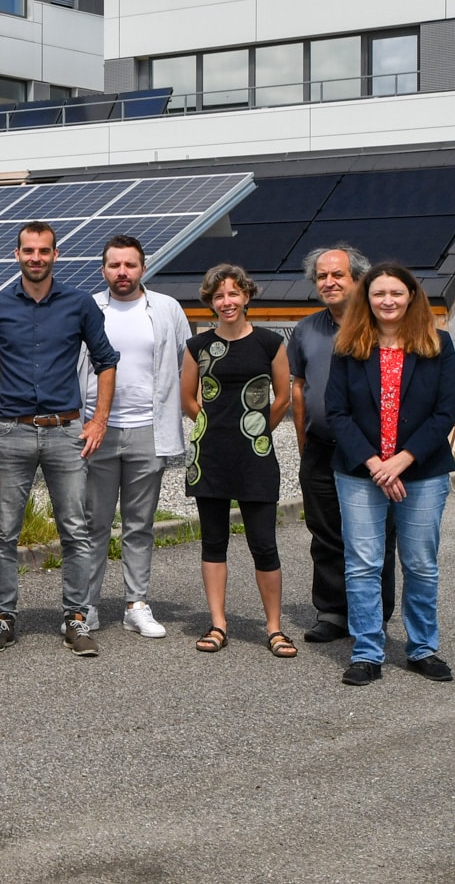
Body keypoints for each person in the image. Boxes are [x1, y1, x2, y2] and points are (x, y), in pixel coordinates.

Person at [0, 222, 118, 657]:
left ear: (56, 254)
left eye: (44, 251)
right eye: (28, 251)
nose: (36, 258)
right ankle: (4, 616)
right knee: (3, 532)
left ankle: (76, 617)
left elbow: (106, 360)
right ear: (16, 254)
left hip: (66, 431)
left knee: (75, 529)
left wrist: (99, 421)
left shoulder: (79, 304)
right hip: (12, 431)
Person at [325, 262, 455, 687]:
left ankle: (422, 648)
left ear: (412, 297)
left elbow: (446, 411)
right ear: (367, 299)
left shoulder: (437, 344)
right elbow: (337, 412)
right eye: (379, 293)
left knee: (420, 563)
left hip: (421, 472)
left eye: (396, 293)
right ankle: (367, 652)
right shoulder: (349, 346)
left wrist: (401, 461)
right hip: (360, 471)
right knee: (363, 564)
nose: (388, 301)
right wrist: (374, 463)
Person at [74, 234, 192, 643]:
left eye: (129, 265)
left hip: (149, 430)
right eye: (114, 265)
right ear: (103, 269)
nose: (122, 272)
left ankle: (135, 604)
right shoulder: (88, 307)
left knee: (139, 525)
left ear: (143, 268)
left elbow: (182, 362)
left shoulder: (167, 309)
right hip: (96, 430)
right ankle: (84, 606)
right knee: (94, 524)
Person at [181, 264, 295, 659]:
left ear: (246, 296)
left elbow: (283, 396)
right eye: (218, 296)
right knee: (213, 543)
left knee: (264, 544)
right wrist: (213, 429)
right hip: (209, 457)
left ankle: (275, 628)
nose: (226, 302)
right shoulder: (197, 346)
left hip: (256, 457)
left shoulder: (269, 342)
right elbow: (188, 400)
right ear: (210, 302)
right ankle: (218, 624)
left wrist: (257, 430)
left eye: (232, 294)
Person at [289, 243, 399, 645]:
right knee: (325, 532)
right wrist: (304, 445)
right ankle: (333, 611)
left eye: (338, 275)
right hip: (321, 446)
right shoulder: (306, 330)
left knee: (375, 535)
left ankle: (375, 616)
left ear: (358, 279)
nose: (329, 282)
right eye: (322, 276)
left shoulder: (380, 324)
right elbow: (299, 390)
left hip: (372, 451)